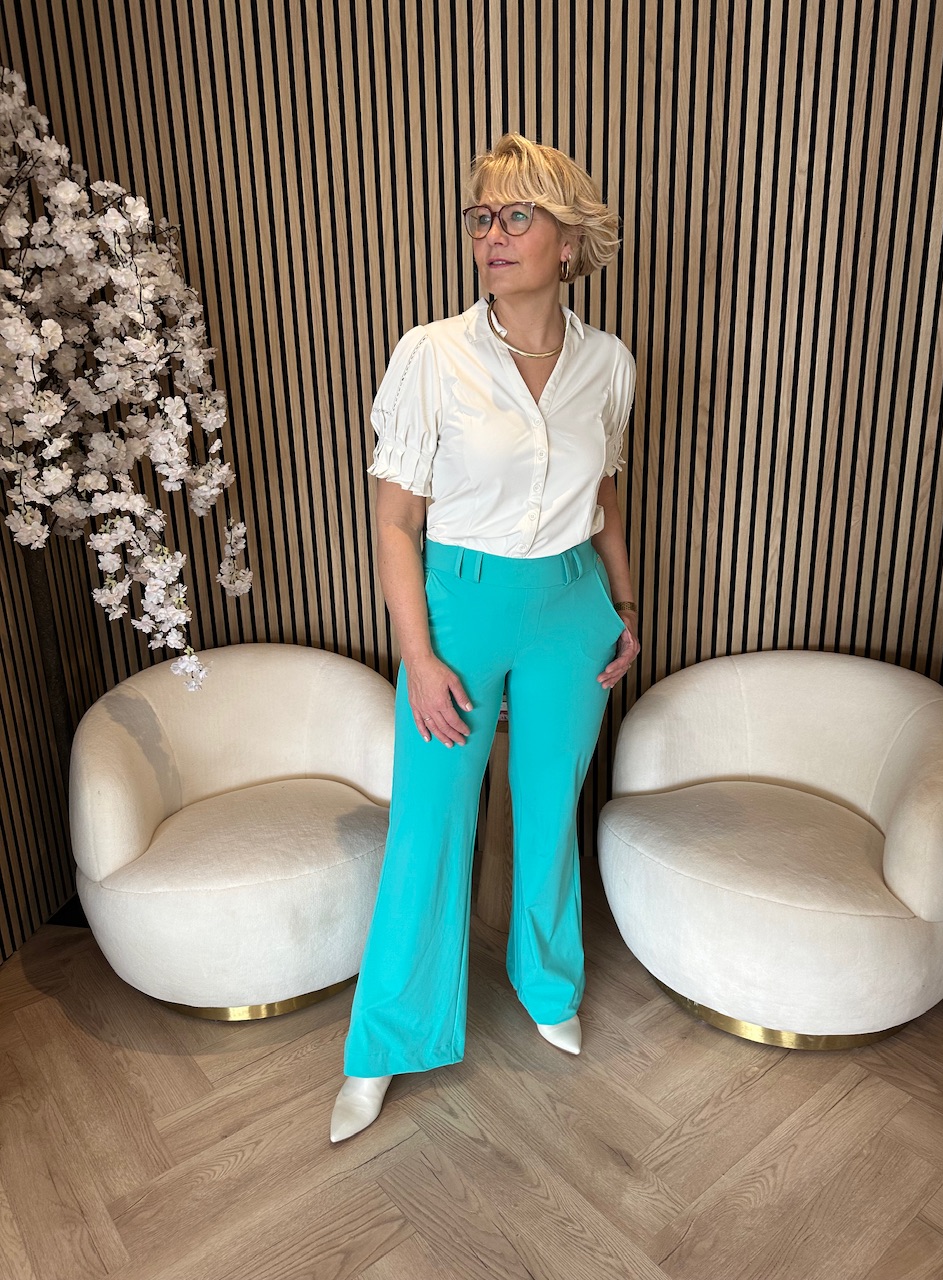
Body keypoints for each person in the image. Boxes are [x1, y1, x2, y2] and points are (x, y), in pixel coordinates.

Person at [330, 133, 639, 1142]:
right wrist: (419, 657)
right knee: (429, 821)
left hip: (573, 609)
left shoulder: (609, 363)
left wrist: (625, 609)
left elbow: (605, 495)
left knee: (550, 810)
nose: (492, 236)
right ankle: (387, 1039)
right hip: (458, 611)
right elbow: (395, 522)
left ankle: (547, 981)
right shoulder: (432, 354)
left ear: (568, 240)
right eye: (480, 217)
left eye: (516, 216)